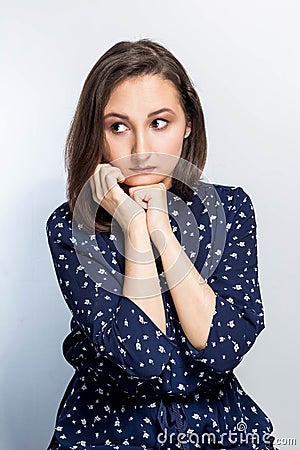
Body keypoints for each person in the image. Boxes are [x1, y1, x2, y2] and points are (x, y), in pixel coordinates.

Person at [46, 39, 276, 450]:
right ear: (96, 135)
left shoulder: (230, 209)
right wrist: (133, 228)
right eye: (118, 127)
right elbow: (144, 359)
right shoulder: (71, 227)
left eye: (159, 123)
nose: (140, 151)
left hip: (216, 430)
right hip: (108, 433)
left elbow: (223, 347)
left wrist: (162, 232)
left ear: (187, 123)